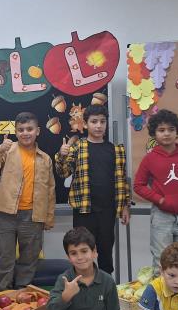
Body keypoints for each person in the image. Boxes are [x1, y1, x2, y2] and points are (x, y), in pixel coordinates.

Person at [54, 104, 130, 274]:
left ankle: (105, 284)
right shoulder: (78, 147)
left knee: (106, 250)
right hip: (84, 209)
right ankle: (82, 284)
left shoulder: (116, 150)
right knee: (81, 250)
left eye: (102, 121)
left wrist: (125, 205)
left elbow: (122, 180)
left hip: (108, 210)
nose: (98, 125)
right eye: (94, 121)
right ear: (86, 124)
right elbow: (63, 172)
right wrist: (62, 156)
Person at [0, 111, 55, 291]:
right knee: (5, 257)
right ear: (16, 132)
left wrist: (49, 218)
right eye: (21, 129)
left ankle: (22, 294)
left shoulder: (45, 158)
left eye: (29, 129)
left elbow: (50, 190)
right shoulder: (8, 150)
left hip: (33, 215)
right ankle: (2, 294)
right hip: (6, 213)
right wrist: (0, 149)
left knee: (29, 258)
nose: (25, 133)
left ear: (37, 131)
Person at [133, 109, 178, 274]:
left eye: (171, 129)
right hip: (161, 216)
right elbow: (139, 185)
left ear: (177, 132)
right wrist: (159, 200)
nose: (166, 133)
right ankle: (160, 291)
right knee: (161, 260)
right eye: (161, 130)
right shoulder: (149, 158)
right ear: (154, 133)